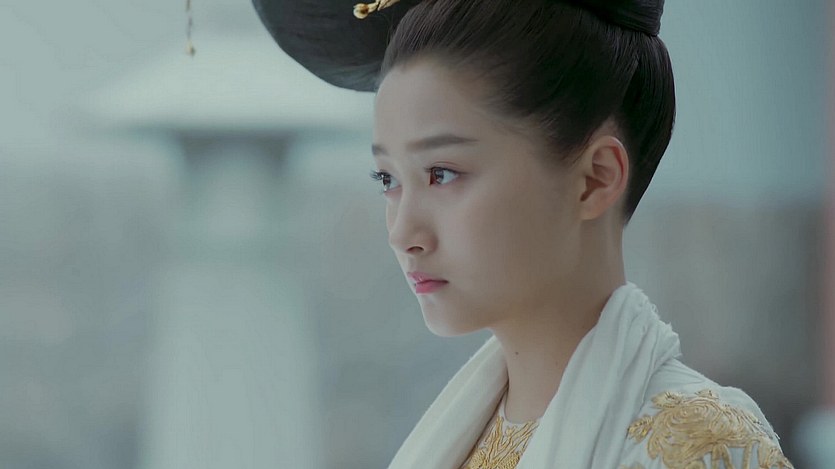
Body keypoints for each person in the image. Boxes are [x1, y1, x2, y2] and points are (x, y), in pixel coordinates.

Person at [252, 0, 796, 467]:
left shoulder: (702, 447)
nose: (403, 232)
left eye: (442, 173)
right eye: (387, 180)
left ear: (595, 179)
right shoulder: (466, 436)